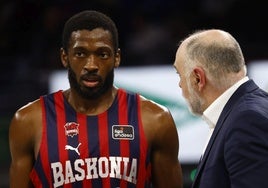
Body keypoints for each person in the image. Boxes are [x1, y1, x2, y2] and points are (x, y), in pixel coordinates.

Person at [9, 10, 183, 188]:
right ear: (64, 57)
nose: (91, 65)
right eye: (80, 53)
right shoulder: (28, 121)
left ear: (116, 58)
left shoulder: (155, 119)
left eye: (102, 54)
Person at [173, 28, 268, 188]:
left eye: (179, 75)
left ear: (198, 78)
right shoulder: (248, 111)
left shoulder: (245, 122)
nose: (180, 84)